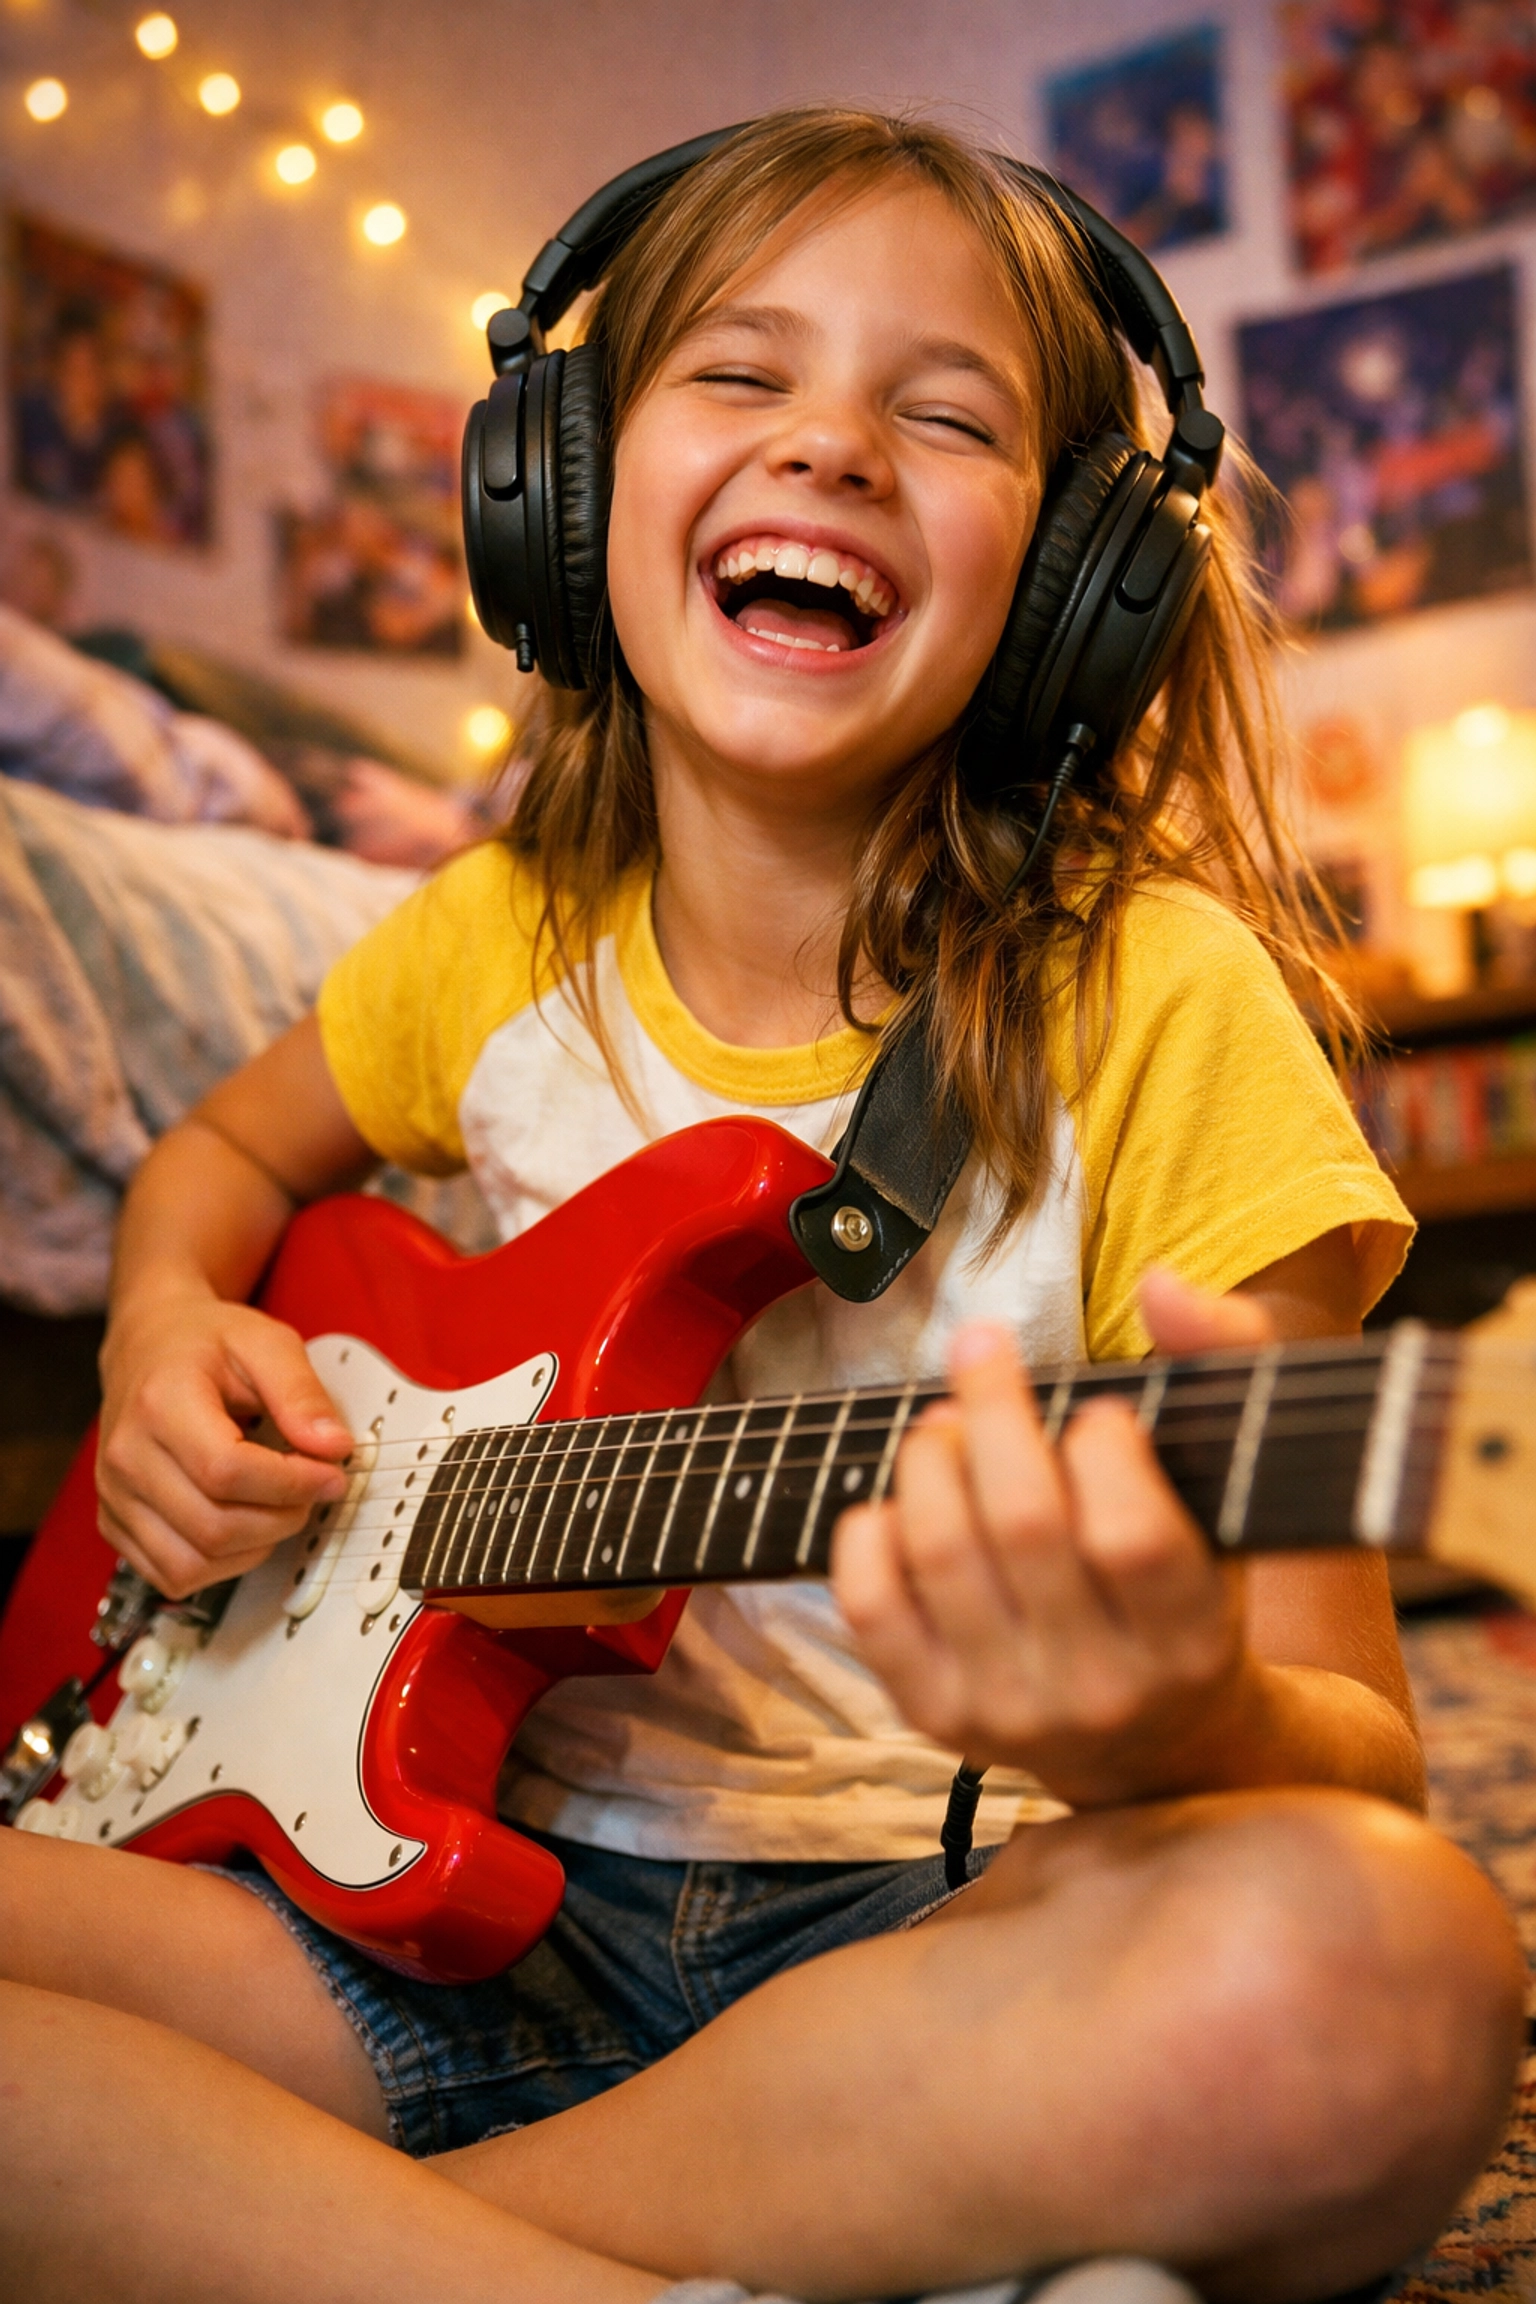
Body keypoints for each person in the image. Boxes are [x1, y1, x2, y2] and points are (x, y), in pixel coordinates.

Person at [0, 108, 1523, 2304]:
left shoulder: (1166, 1006)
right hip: (427, 1911)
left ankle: (331, 2247)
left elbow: (1355, 1748)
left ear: (1081, 583)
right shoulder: (496, 940)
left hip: (929, 1928)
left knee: (1384, 1972)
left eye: (947, 415)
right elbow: (220, 1158)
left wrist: (1167, 1724)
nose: (831, 450)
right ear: (561, 486)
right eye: (740, 374)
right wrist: (162, 1328)